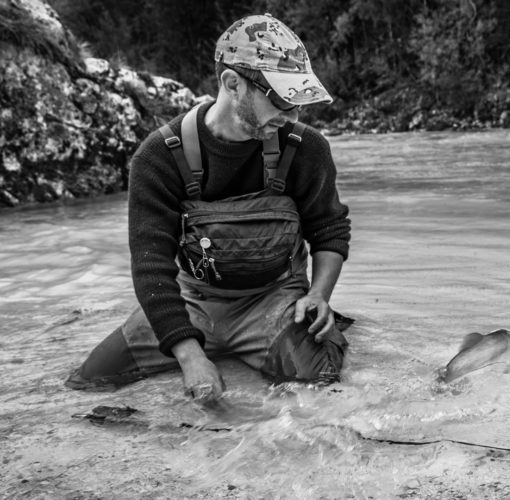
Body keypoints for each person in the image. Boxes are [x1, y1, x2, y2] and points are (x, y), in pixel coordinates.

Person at [65, 13, 351, 403]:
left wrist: (319, 294)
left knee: (321, 391)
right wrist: (189, 355)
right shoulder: (157, 157)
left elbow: (329, 228)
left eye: (299, 102)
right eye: (282, 100)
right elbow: (151, 267)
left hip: (275, 300)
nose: (292, 117)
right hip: (191, 302)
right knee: (87, 383)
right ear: (232, 83)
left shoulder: (307, 148)